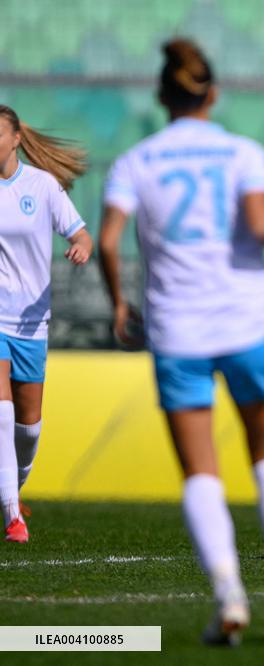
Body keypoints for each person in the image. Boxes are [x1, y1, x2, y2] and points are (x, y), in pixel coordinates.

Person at [98, 39, 264, 644]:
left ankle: (229, 596)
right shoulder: (241, 152)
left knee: (201, 471)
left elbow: (106, 241)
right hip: (244, 322)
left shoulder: (136, 160)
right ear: (213, 93)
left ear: (161, 97)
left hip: (177, 328)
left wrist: (119, 301)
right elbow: (257, 223)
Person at [0, 105, 93, 544]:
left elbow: (79, 232)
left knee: (28, 428)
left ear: (17, 138)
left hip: (32, 322)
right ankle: (12, 516)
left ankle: (11, 492)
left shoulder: (43, 185)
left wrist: (81, 247)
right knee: (1, 414)